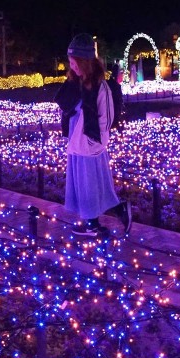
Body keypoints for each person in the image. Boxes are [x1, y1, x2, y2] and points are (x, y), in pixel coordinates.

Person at [55, 33, 131, 236]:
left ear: (86, 61)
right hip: (77, 140)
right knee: (88, 182)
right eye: (70, 62)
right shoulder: (76, 81)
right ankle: (104, 216)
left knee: (90, 181)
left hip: (89, 141)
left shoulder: (100, 86)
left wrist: (96, 143)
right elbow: (66, 106)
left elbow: (105, 118)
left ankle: (94, 224)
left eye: (76, 62)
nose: (73, 66)